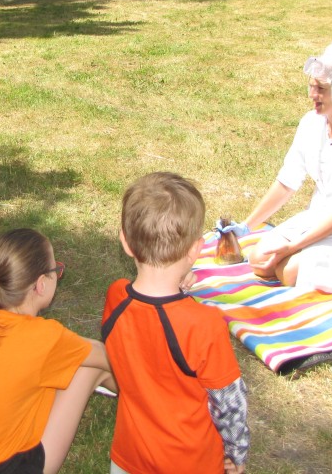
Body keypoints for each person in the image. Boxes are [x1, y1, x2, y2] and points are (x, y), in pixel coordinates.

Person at [0, 228, 118, 474]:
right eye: (56, 270)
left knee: (59, 369)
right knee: (90, 369)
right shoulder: (45, 337)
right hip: (3, 469)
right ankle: (139, 401)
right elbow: (108, 357)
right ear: (41, 284)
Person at [103, 172, 249, 474]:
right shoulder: (204, 324)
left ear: (125, 242)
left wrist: (178, 290)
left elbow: (153, 329)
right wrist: (236, 453)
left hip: (128, 457)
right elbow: (229, 403)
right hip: (191, 462)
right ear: (196, 249)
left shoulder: (116, 298)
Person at [222, 42, 332, 292]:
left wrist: (292, 247)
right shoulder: (310, 124)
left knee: (288, 272)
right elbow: (287, 181)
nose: (312, 95)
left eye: (321, 89)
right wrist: (246, 226)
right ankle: (312, 252)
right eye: (311, 86)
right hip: (321, 215)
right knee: (259, 261)